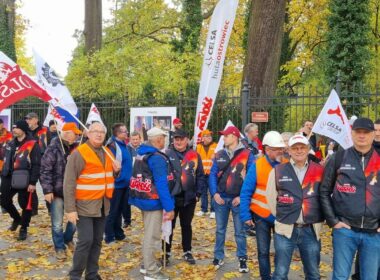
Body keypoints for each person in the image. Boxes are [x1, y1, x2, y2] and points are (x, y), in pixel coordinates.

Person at [320, 117, 380, 280]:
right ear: (352, 134)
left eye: (366, 132)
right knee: (340, 276)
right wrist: (333, 221)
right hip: (345, 230)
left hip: (374, 232)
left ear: (373, 134)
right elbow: (324, 191)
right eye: (358, 132)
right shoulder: (338, 158)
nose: (362, 136)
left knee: (370, 277)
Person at [64, 122, 121, 280]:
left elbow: (107, 177)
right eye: (95, 131)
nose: (99, 134)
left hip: (102, 205)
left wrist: (116, 171)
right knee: (86, 240)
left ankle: (92, 274)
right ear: (88, 134)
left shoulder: (107, 151)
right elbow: (69, 183)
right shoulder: (79, 153)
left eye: (102, 131)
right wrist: (70, 209)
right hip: (83, 205)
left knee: (97, 241)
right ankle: (75, 275)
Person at [266, 134, 324, 280]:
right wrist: (284, 215)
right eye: (295, 148)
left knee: (313, 274)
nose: (299, 151)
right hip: (285, 229)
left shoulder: (319, 170)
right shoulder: (278, 171)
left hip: (310, 229)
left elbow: (324, 197)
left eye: (302, 147)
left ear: (308, 149)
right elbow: (271, 198)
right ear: (288, 151)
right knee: (280, 273)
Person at [129, 127, 175, 280]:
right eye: (163, 137)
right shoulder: (156, 157)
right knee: (152, 236)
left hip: (143, 199)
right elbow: (162, 184)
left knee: (149, 234)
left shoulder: (142, 153)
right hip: (153, 201)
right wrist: (169, 207)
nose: (165, 140)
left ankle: (146, 265)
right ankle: (151, 272)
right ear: (158, 139)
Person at [240, 131, 287, 280]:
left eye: (281, 148)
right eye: (277, 149)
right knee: (263, 251)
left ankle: (280, 276)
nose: (281, 151)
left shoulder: (287, 165)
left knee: (282, 251)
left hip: (282, 217)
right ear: (267, 149)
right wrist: (246, 215)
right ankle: (265, 277)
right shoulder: (257, 165)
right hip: (261, 216)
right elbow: (246, 191)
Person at [209, 126, 254, 273]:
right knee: (220, 230)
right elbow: (212, 174)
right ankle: (218, 256)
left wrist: (242, 197)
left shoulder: (247, 154)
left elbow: (251, 177)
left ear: (234, 137)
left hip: (238, 200)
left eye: (226, 135)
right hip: (221, 199)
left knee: (240, 232)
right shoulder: (219, 153)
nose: (224, 138)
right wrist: (214, 193)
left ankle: (242, 259)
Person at [164, 129, 206, 265]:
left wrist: (198, 193)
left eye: (181, 139)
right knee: (168, 226)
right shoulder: (166, 154)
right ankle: (166, 252)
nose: (179, 141)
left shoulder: (194, 154)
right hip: (171, 198)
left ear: (187, 140)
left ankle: (187, 251)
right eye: (176, 139)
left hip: (189, 198)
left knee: (186, 225)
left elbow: (200, 175)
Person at [40, 122, 81, 259]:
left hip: (74, 191)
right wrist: (47, 191)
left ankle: (67, 238)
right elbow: (45, 171)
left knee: (74, 220)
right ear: (67, 133)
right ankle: (59, 247)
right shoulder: (53, 149)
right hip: (56, 192)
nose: (77, 137)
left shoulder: (77, 148)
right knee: (57, 223)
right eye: (75, 134)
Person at [0, 120, 41, 240]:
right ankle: (17, 219)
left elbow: (36, 164)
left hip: (25, 177)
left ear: (23, 129)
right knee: (4, 200)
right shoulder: (10, 143)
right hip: (8, 176)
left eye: (16, 128)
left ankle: (23, 228)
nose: (14, 130)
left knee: (25, 204)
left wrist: (33, 182)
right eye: (13, 128)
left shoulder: (32, 144)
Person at [104, 123, 133, 243]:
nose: (127, 133)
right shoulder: (112, 146)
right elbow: (111, 165)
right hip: (116, 184)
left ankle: (118, 233)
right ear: (118, 133)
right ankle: (109, 236)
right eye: (125, 132)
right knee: (112, 211)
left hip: (125, 184)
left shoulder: (124, 145)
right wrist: (118, 178)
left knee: (119, 210)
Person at [25, 112, 47, 215]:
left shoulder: (45, 130)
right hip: (31, 163)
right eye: (27, 119)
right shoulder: (26, 132)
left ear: (36, 120)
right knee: (31, 185)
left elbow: (49, 144)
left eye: (29, 119)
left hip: (44, 162)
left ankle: (51, 209)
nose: (27, 121)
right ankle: (33, 210)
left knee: (46, 186)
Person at [195, 129, 217, 218]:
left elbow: (220, 157)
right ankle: (203, 209)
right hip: (202, 174)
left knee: (213, 192)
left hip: (212, 173)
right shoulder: (198, 147)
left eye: (210, 136)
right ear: (202, 138)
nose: (209, 137)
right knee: (203, 192)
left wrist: (216, 156)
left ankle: (213, 211)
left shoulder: (216, 146)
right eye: (207, 136)